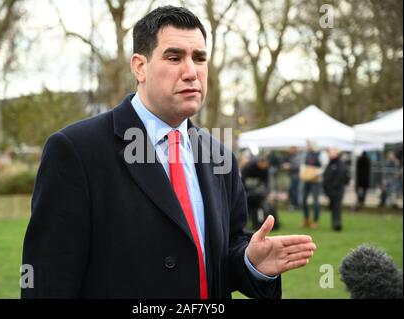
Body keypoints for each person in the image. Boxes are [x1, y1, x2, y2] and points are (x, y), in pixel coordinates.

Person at [21, 6, 316, 299]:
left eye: (199, 58)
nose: (191, 72)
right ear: (139, 66)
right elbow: (48, 281)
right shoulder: (76, 150)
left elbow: (226, 252)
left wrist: (251, 263)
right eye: (174, 57)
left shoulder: (220, 156)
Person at [241, 156, 275, 230]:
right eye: (263, 164)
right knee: (246, 209)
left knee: (260, 209)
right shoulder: (248, 167)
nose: (265, 166)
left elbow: (267, 183)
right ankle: (244, 224)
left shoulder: (265, 169)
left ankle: (259, 224)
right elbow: (243, 181)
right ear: (259, 163)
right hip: (248, 194)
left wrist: (268, 193)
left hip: (259, 195)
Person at [300, 140, 328, 229]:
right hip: (307, 179)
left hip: (316, 181)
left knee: (315, 201)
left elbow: (325, 166)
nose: (308, 146)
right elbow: (304, 164)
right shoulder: (307, 154)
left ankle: (316, 221)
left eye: (309, 144)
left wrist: (317, 173)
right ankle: (306, 219)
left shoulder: (321, 154)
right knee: (303, 200)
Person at [323, 147, 349, 231]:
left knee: (337, 207)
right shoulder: (330, 163)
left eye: (332, 152)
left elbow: (341, 177)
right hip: (330, 190)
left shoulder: (340, 164)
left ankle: (337, 224)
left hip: (337, 190)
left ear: (336, 153)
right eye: (329, 152)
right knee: (333, 207)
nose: (330, 154)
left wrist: (332, 186)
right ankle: (334, 223)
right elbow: (326, 176)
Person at [282, 146, 301, 210]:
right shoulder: (292, 156)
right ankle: (293, 204)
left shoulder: (297, 157)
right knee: (292, 191)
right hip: (293, 176)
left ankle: (295, 205)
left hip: (296, 176)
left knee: (294, 191)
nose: (290, 151)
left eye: (291, 149)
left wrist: (289, 166)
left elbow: (298, 166)